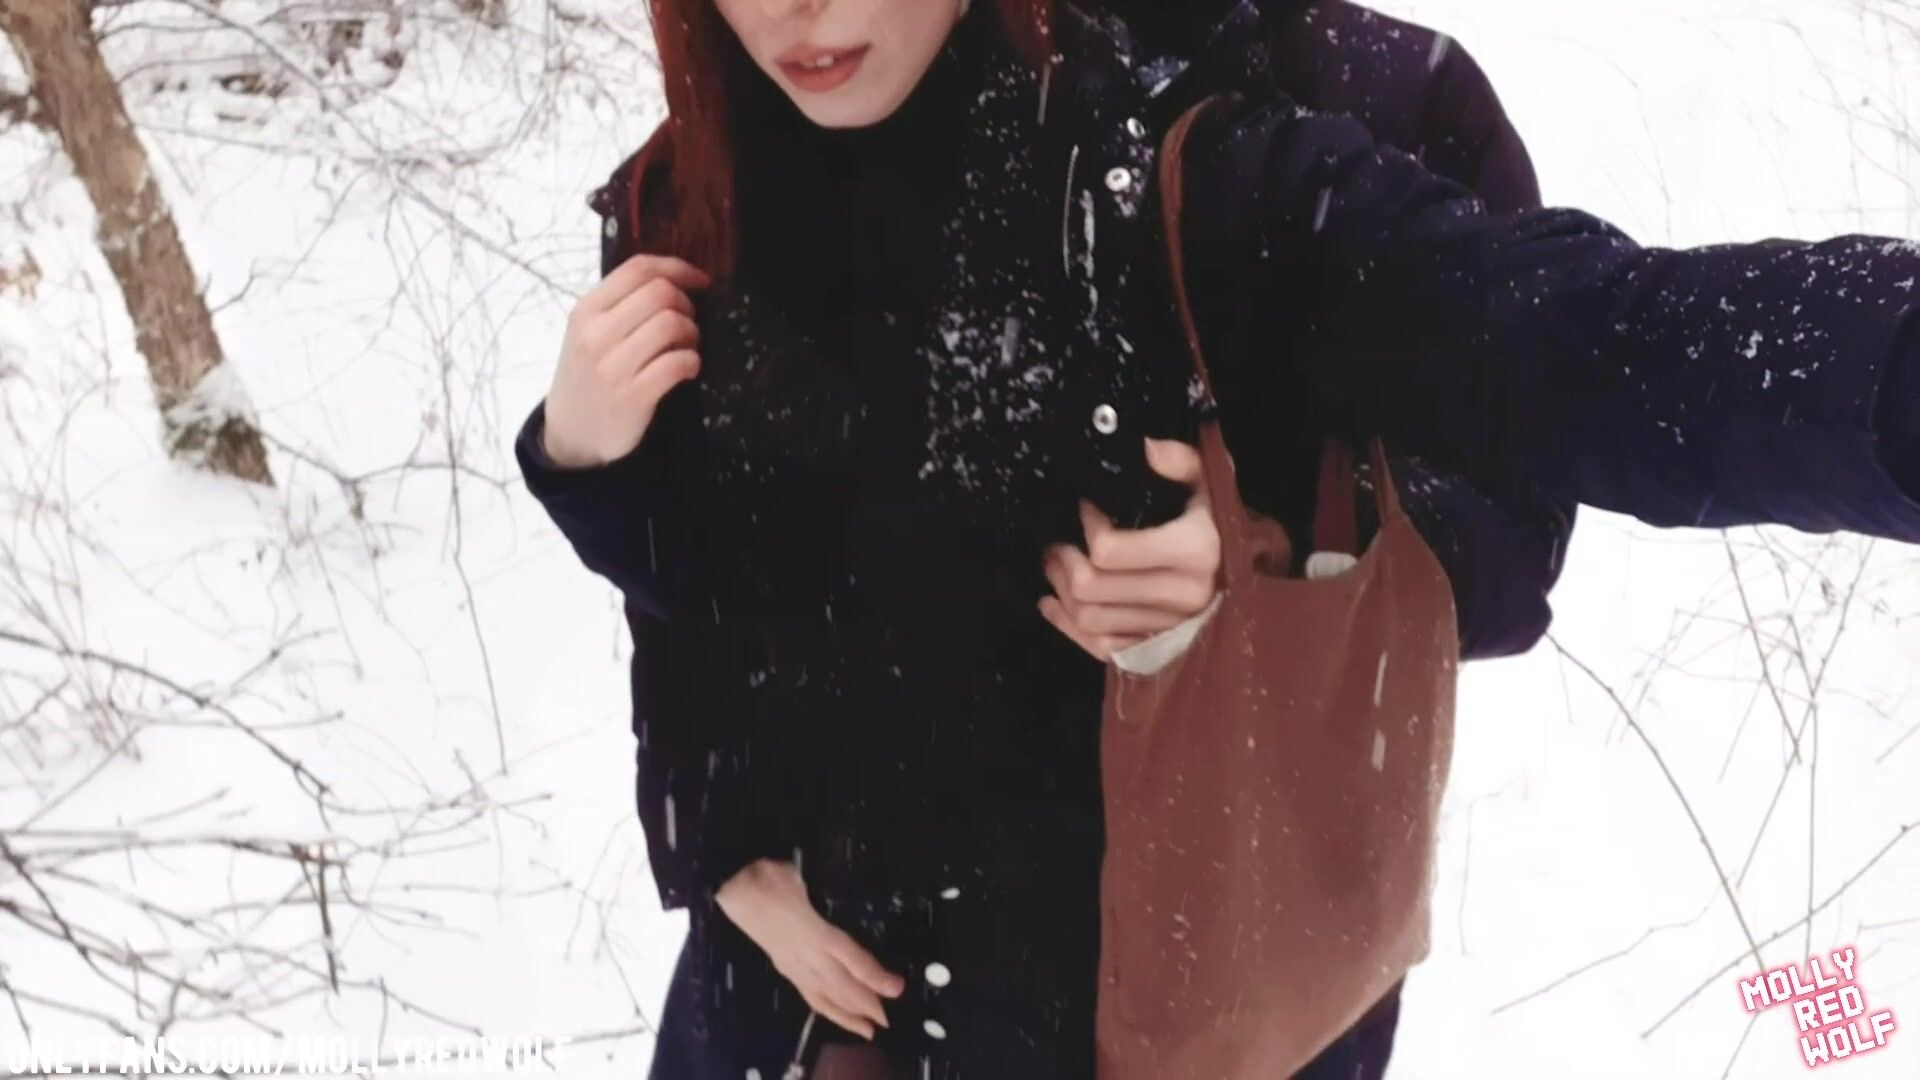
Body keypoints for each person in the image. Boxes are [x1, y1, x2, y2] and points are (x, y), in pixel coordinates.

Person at [514, 1, 1920, 1077]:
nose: (794, 8)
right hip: (788, 1008)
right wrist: (717, 843)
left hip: (1172, 1001)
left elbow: (1583, 352)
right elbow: (697, 595)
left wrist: (1257, 564)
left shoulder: (1199, 161)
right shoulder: (685, 200)